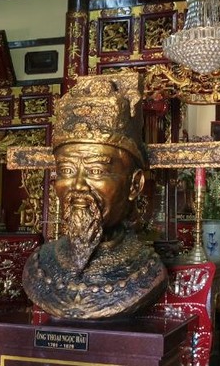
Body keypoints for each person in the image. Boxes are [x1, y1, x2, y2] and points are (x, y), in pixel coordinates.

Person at [22, 72, 168, 319]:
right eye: (67, 171)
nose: (78, 185)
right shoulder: (40, 266)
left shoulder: (145, 270)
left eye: (96, 171)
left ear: (134, 185)